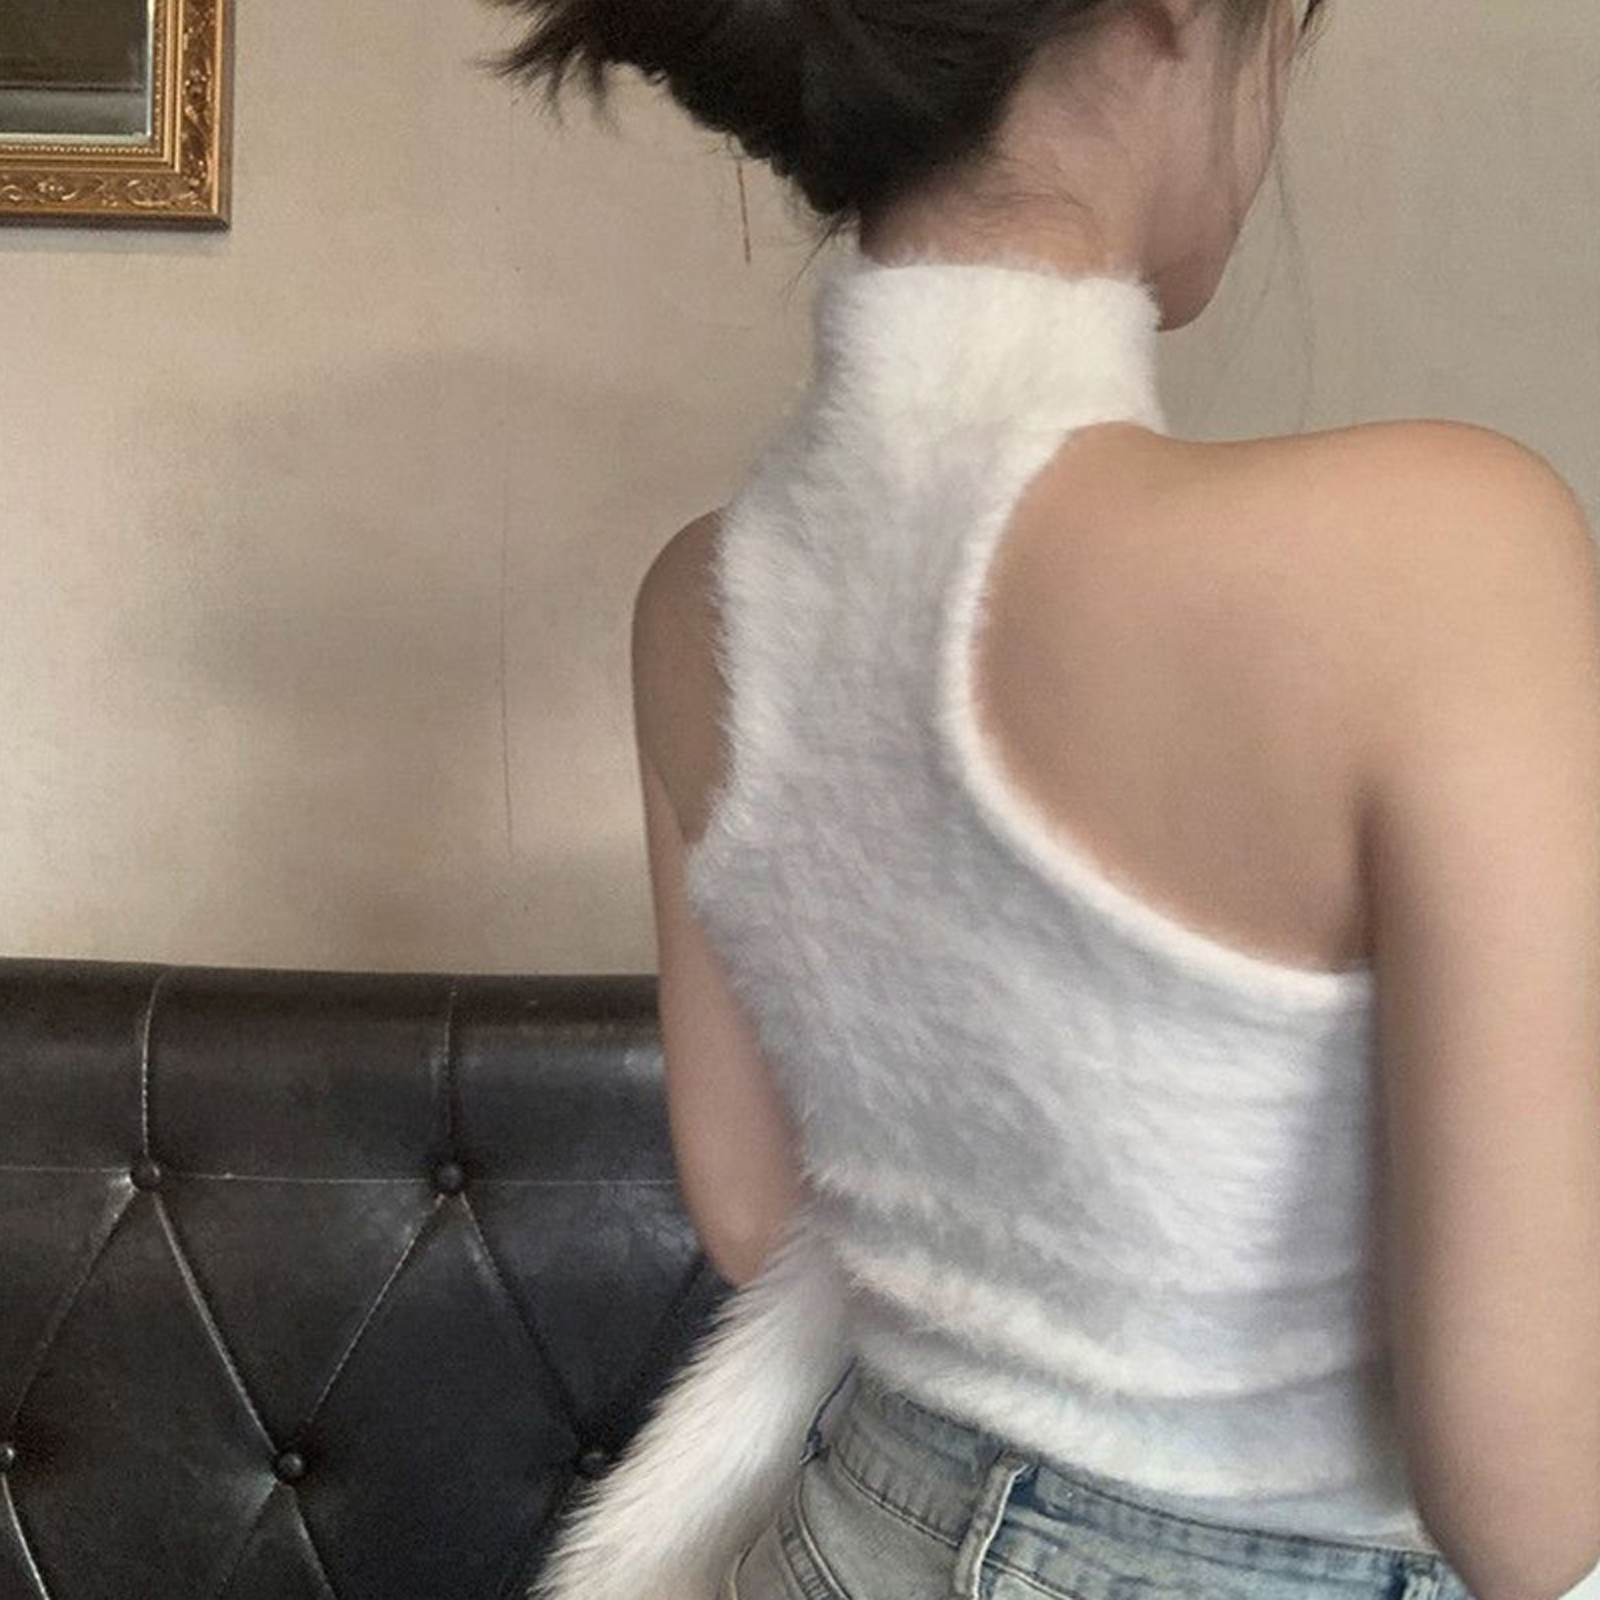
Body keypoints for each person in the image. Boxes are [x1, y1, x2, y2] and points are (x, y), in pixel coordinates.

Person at [481, 3, 1600, 1597]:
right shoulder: (1449, 550)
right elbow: (1533, 1511)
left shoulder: (693, 607)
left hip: (851, 1537)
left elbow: (754, 1213)